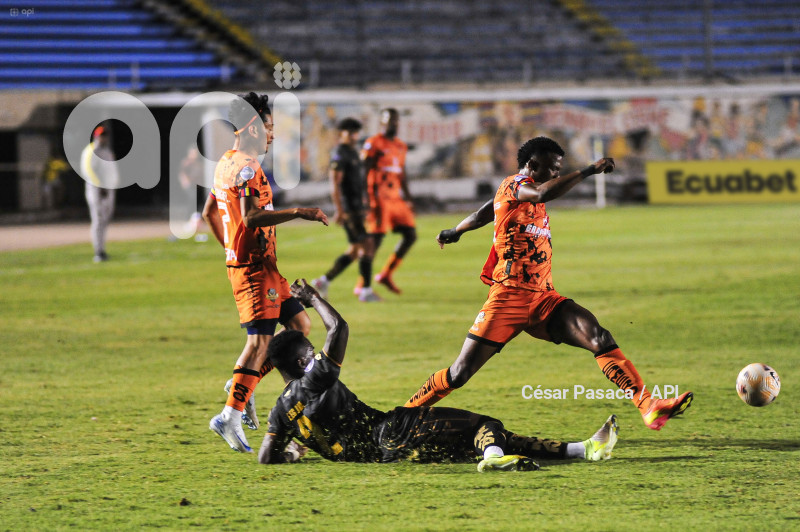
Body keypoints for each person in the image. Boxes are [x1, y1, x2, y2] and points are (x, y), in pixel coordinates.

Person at [404, 136, 693, 431]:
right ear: (533, 165)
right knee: (460, 373)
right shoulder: (516, 185)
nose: (557, 173)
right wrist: (588, 171)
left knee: (599, 338)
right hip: (508, 298)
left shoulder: (513, 194)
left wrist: (456, 230)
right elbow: (540, 193)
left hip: (544, 299)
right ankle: (403, 414)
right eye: (553, 168)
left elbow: (485, 212)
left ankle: (649, 407)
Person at [258, 280, 619, 471]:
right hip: (394, 431)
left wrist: (291, 455)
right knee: (485, 425)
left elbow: (266, 457)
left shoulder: (280, 410)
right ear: (305, 359)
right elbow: (338, 328)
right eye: (311, 351)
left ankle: (583, 450)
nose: (316, 353)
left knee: (494, 437)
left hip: (388, 455)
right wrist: (313, 297)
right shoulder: (315, 377)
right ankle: (493, 459)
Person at [202, 92, 329, 453]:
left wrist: (230, 245)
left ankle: (244, 384)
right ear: (252, 127)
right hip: (254, 272)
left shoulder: (224, 162)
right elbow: (251, 217)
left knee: (300, 328)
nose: (272, 135)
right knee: (258, 343)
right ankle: (229, 415)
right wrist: (299, 212)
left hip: (265, 268)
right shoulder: (246, 167)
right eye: (269, 127)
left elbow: (210, 212)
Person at [312, 118, 381, 302]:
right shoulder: (340, 153)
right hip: (349, 209)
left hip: (357, 208)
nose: (354, 136)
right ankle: (365, 291)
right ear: (341, 133)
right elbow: (335, 183)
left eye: (356, 132)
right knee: (368, 245)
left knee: (353, 250)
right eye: (350, 132)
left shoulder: (352, 152)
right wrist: (340, 210)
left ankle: (322, 281)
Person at [360, 108, 416, 295]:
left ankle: (385, 274)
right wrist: (364, 197)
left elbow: (402, 172)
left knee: (410, 235)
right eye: (390, 120)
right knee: (375, 241)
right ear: (382, 122)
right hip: (379, 197)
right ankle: (363, 284)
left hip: (395, 198)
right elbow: (364, 170)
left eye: (396, 121)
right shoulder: (373, 143)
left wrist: (408, 197)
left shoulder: (401, 146)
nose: (394, 124)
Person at [80, 126, 118, 262]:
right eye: (102, 135)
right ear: (96, 136)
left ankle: (102, 248)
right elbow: (88, 170)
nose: (104, 137)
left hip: (108, 189)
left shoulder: (107, 150)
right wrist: (100, 186)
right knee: (98, 219)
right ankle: (98, 251)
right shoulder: (91, 150)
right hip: (97, 190)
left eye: (106, 135)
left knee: (105, 219)